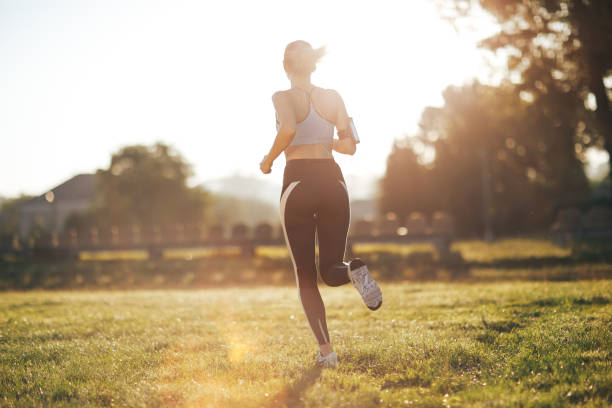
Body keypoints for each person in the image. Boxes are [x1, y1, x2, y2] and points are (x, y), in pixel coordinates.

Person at [259, 40, 382, 368]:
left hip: (298, 181)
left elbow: (287, 128)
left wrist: (268, 159)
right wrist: (326, 139)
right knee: (332, 268)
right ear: (314, 65)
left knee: (305, 274)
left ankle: (327, 352)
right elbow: (350, 146)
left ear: (285, 66)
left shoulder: (282, 97)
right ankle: (355, 272)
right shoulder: (333, 97)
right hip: (333, 181)